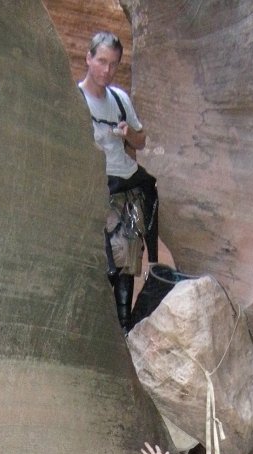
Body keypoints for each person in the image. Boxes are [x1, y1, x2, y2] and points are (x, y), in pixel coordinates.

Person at [79, 31, 159, 332]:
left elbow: (140, 141)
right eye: (101, 61)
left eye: (113, 64)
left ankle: (123, 323)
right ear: (88, 58)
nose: (106, 70)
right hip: (98, 187)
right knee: (107, 259)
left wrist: (129, 134)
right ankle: (103, 323)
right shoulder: (77, 99)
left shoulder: (120, 100)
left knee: (127, 256)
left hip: (126, 185)